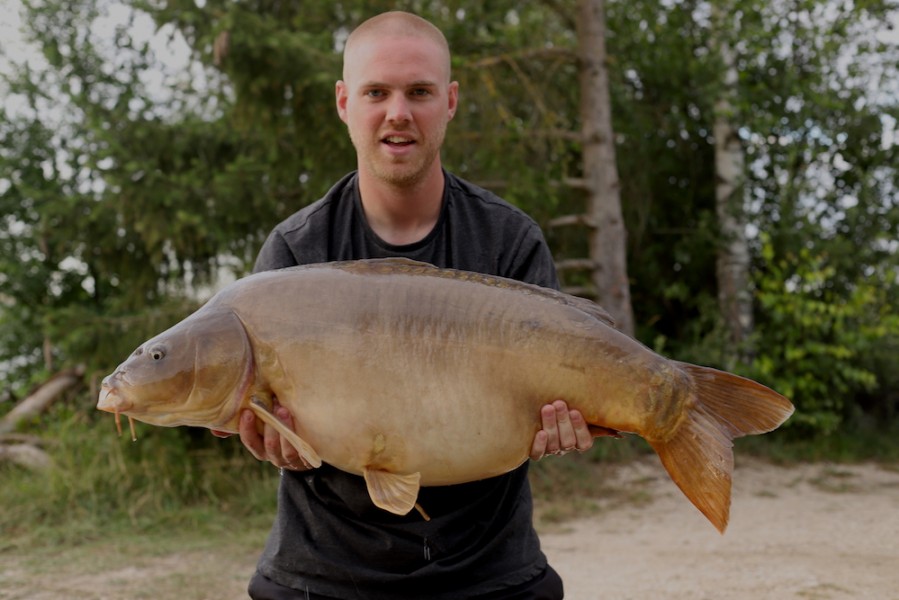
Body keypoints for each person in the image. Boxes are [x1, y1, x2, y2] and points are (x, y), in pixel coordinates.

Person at [225, 11, 598, 599]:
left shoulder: (509, 241)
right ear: (345, 103)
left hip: (490, 570)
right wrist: (278, 446)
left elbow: (550, 408)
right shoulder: (296, 251)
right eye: (377, 92)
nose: (398, 112)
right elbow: (271, 419)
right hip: (323, 573)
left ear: (449, 102)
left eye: (419, 92)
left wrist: (563, 424)